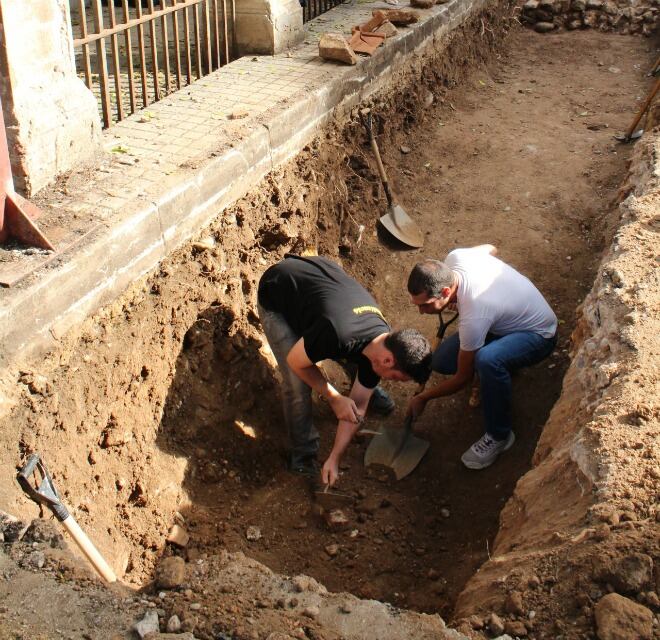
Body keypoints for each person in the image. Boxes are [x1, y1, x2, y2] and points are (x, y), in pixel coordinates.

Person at [258, 254, 432, 486]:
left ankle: (363, 385)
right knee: (298, 384)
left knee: (359, 369)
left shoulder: (382, 343)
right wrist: (333, 397)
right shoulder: (337, 334)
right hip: (279, 292)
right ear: (389, 361)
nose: (395, 382)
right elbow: (296, 361)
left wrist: (334, 458)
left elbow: (358, 405)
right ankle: (302, 455)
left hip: (323, 298)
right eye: (398, 379)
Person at [406, 244, 557, 470]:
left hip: (538, 335)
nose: (421, 312)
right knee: (441, 361)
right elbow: (492, 248)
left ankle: (499, 435)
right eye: (417, 305)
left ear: (446, 292)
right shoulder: (456, 258)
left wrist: (423, 397)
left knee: (488, 360)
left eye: (426, 305)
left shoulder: (475, 313)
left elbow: (462, 378)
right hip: (501, 322)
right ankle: (500, 368)